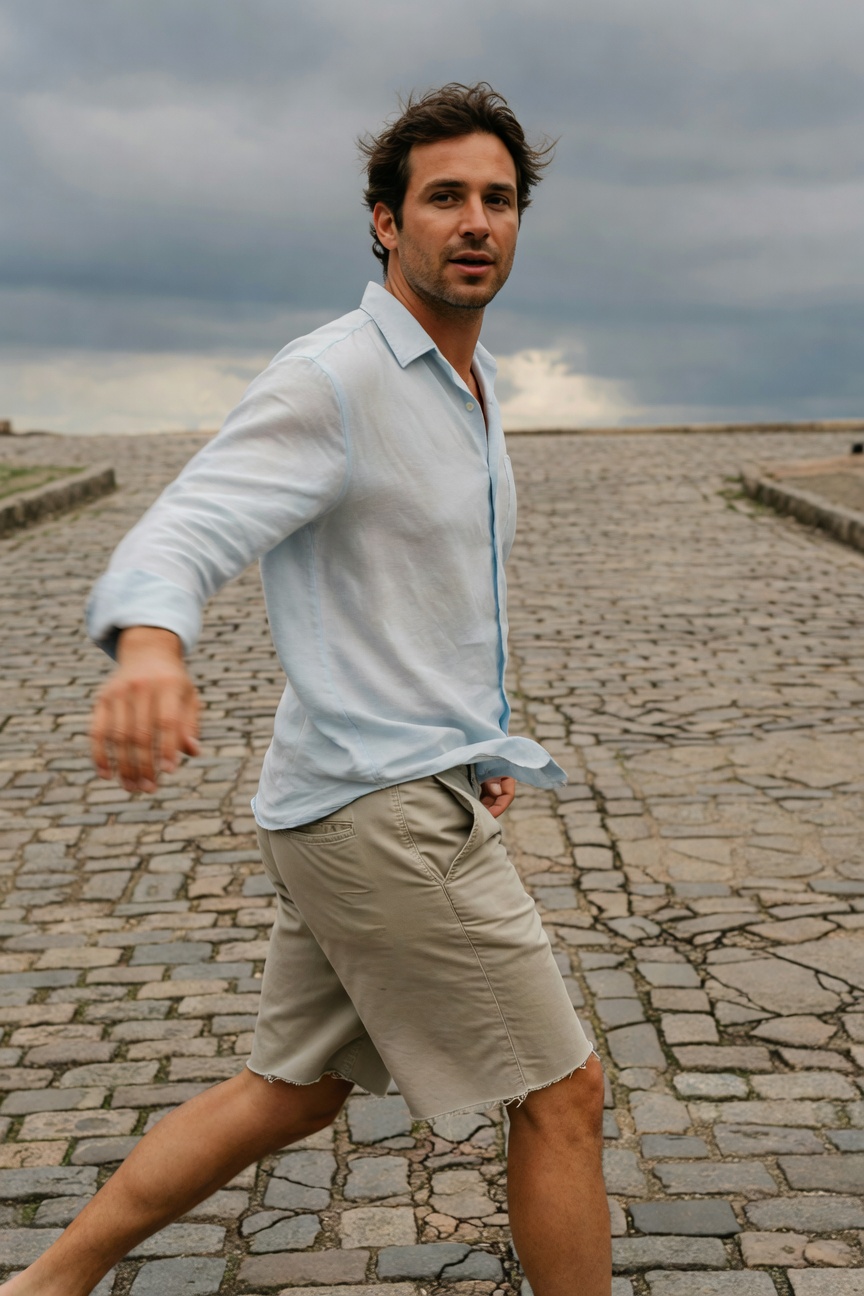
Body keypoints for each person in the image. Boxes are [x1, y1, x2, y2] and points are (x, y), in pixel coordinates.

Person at [3, 83, 610, 1296]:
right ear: (387, 222)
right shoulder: (334, 377)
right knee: (562, 1094)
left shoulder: (470, 385)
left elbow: (428, 602)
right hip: (379, 814)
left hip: (365, 793)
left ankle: (41, 1287)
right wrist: (150, 646)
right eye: (444, 198)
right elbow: (185, 529)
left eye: (498, 198)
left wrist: (475, 742)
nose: (475, 220)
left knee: (289, 1094)